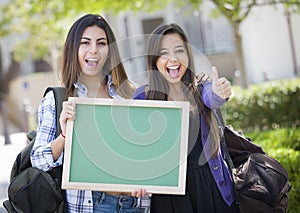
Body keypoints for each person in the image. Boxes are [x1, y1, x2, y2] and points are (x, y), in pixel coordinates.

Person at [31, 14, 148, 213]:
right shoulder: (59, 99)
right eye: (85, 43)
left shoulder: (130, 94)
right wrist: (65, 135)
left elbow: (146, 152)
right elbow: (39, 160)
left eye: (101, 43)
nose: (94, 50)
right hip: (92, 205)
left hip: (134, 205)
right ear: (73, 49)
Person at [133, 23, 240, 213]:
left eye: (179, 50)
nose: (173, 58)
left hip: (211, 186)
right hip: (169, 195)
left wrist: (220, 91)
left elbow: (213, 97)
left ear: (188, 55)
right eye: (164, 52)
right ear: (154, 59)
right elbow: (135, 148)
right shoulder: (144, 96)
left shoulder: (202, 87)